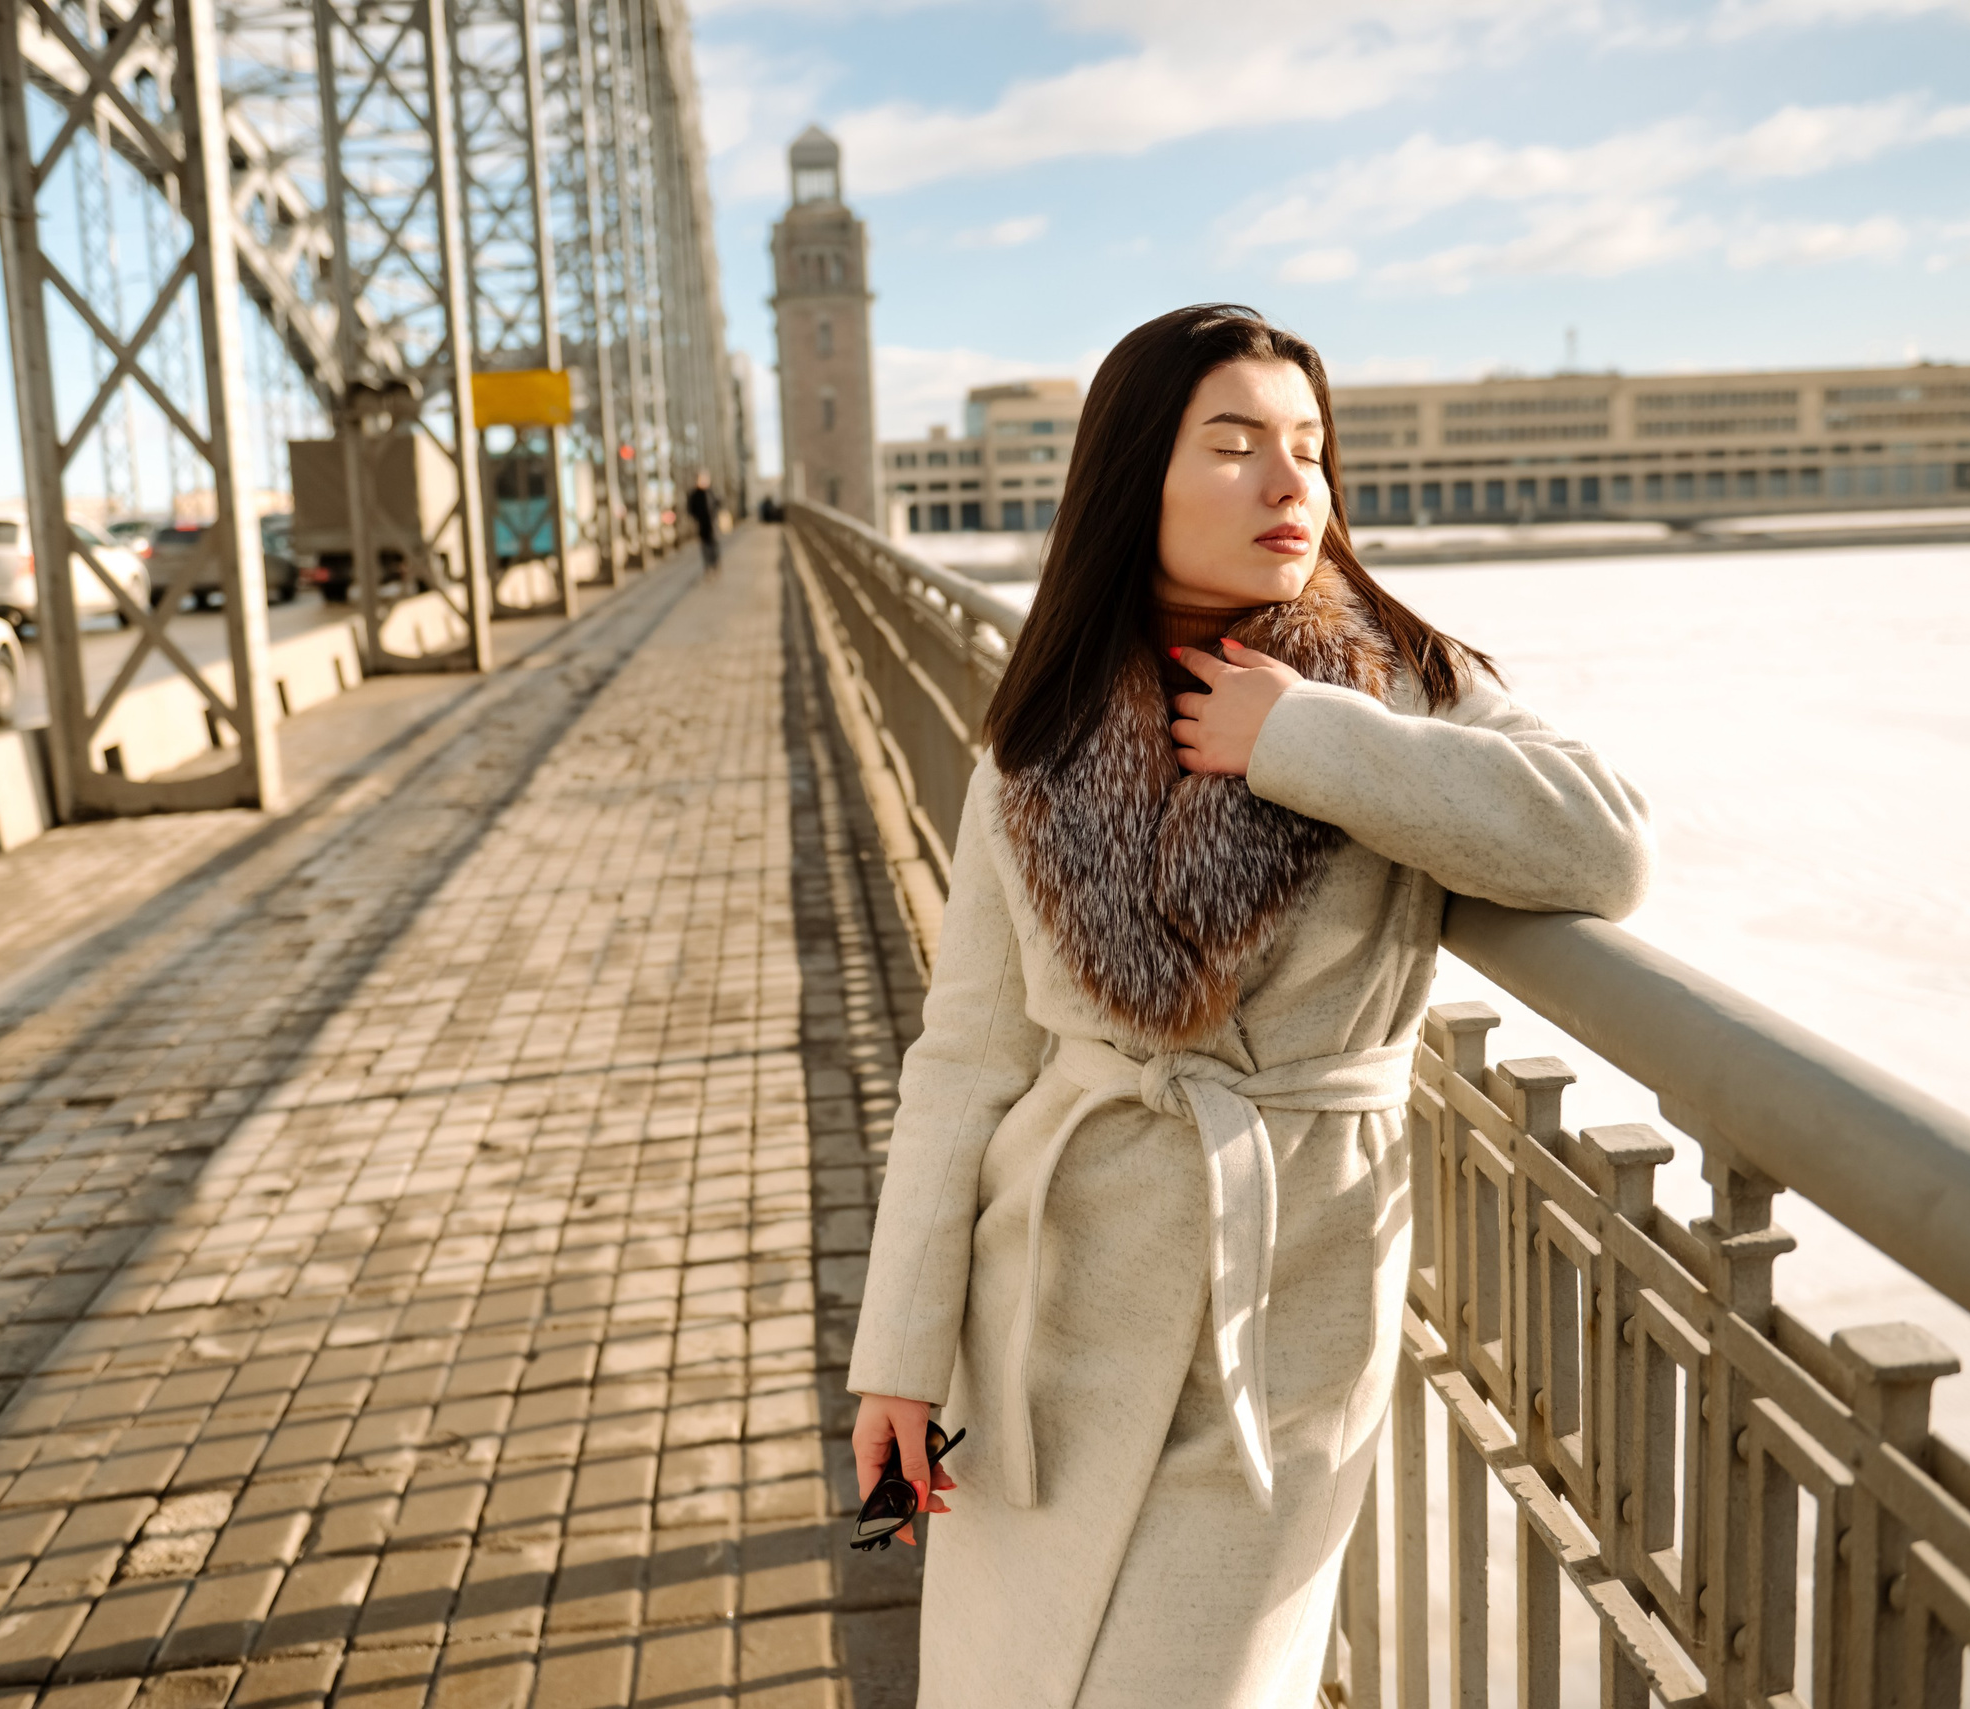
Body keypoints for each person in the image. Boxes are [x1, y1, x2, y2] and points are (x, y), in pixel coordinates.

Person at [846, 304, 1655, 1707]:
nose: (1292, 486)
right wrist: (899, 1361)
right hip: (1045, 1316)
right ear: (1130, 476)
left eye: (1310, 449)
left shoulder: (1404, 681)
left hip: (1283, 1305)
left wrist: (1305, 740)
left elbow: (1605, 845)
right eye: (1235, 446)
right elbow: (966, 1059)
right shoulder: (1036, 732)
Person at [687, 468, 719, 571]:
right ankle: (708, 566)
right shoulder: (695, 494)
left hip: (712, 523)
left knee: (713, 544)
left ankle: (714, 564)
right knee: (705, 545)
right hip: (702, 524)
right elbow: (691, 509)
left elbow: (717, 504)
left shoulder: (710, 491)